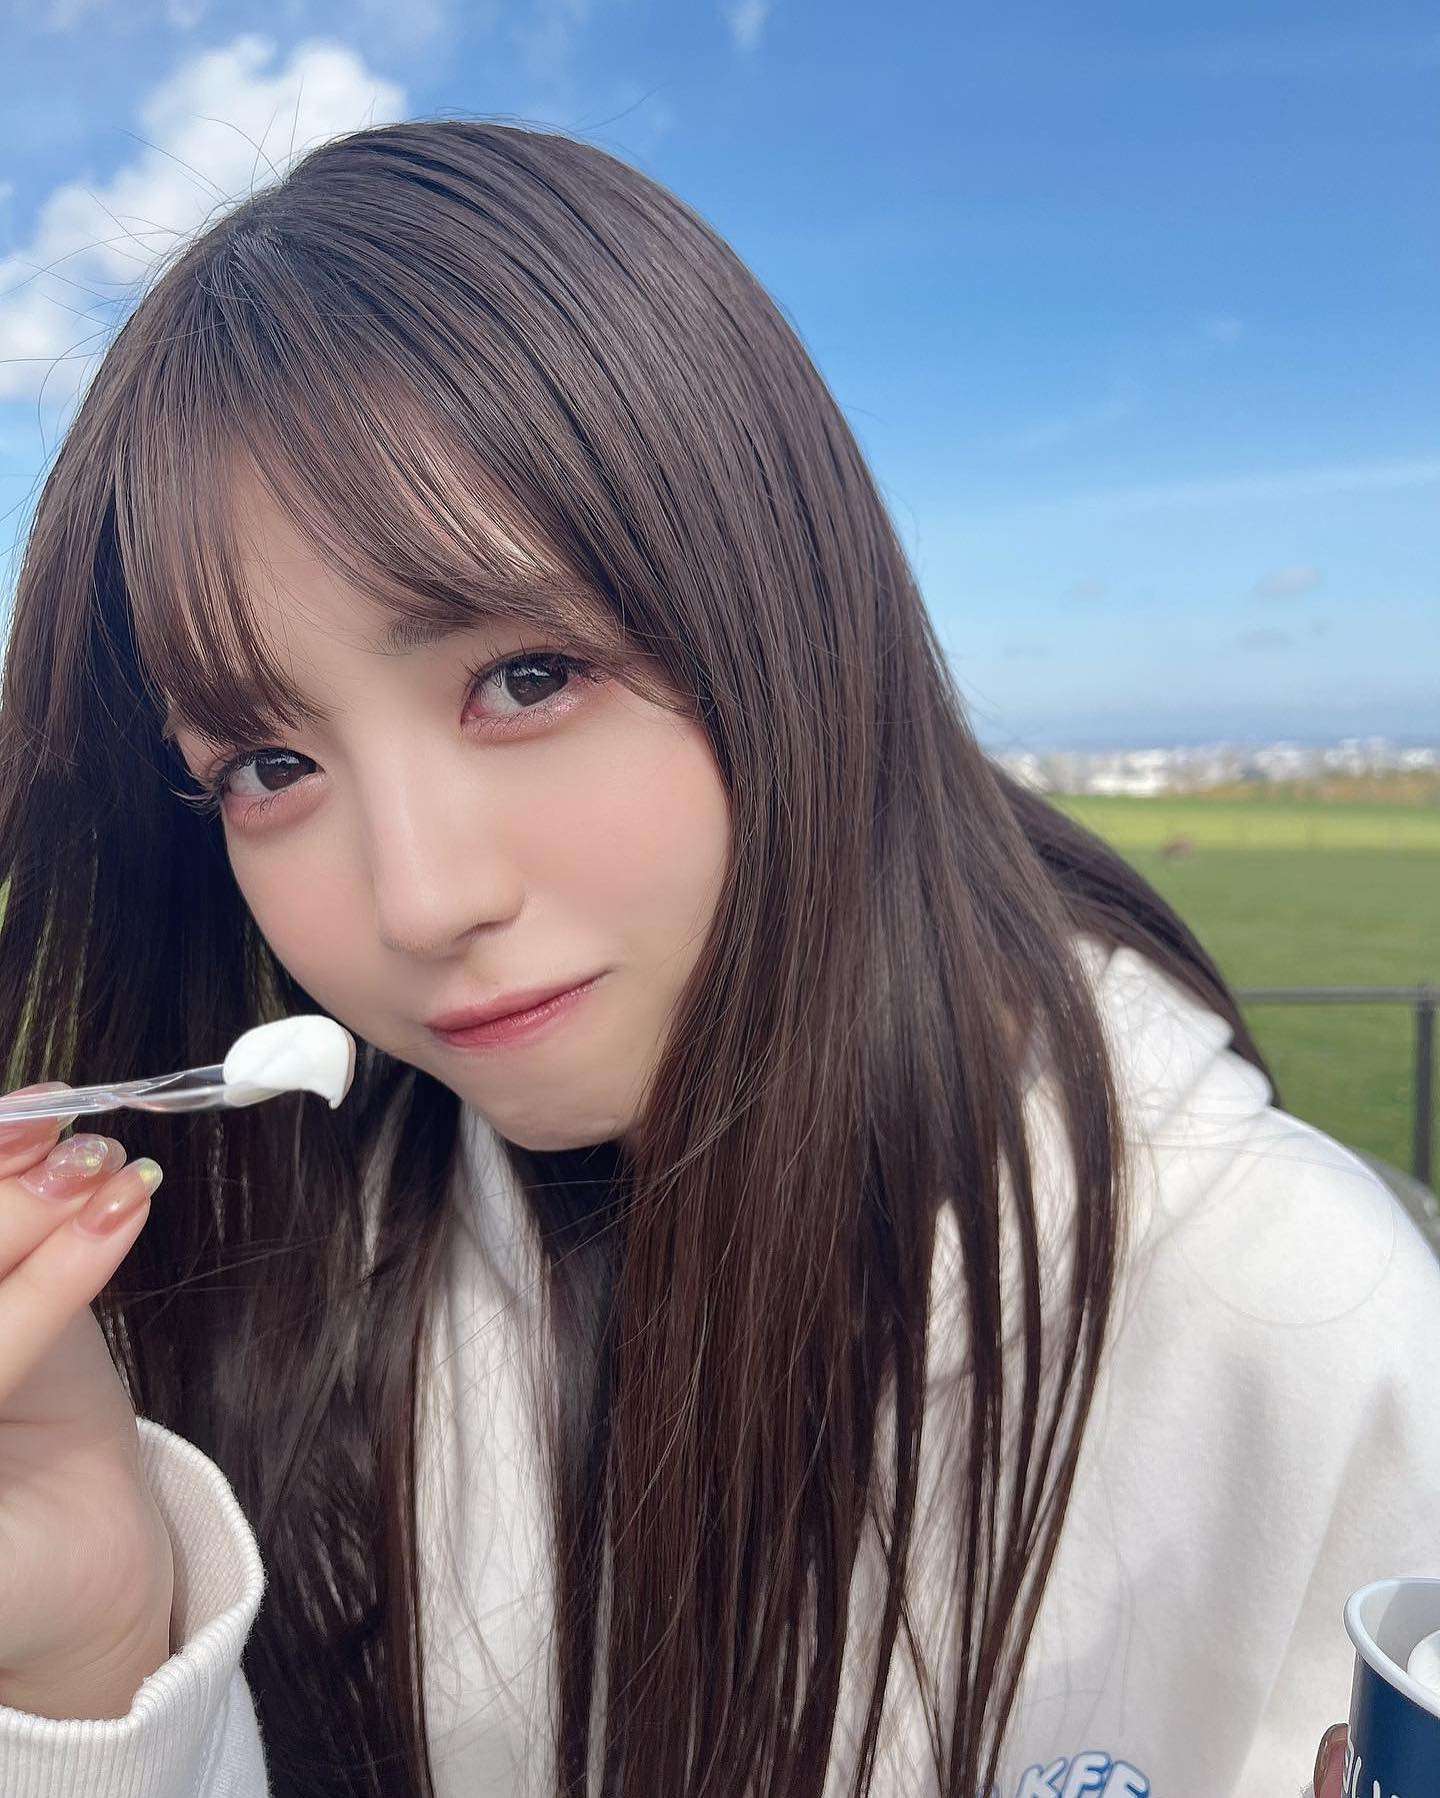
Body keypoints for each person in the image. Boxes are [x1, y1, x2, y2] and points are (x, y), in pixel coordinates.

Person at [0, 119, 1429, 1798]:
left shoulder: (1300, 1327)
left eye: (526, 677)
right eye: (269, 764)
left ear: (789, 607)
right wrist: (101, 1668)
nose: (421, 898)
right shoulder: (267, 1282)